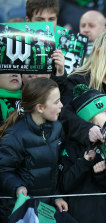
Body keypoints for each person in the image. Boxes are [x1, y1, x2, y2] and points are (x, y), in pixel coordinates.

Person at [0, 78, 67, 222]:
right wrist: (17, 187)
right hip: (20, 211)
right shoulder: (14, 136)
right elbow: (3, 170)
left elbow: (53, 170)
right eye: (56, 102)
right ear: (40, 108)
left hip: (45, 209)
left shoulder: (57, 128)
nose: (61, 105)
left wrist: (56, 196)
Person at [60, 27, 106, 150]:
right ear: (100, 54)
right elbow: (64, 116)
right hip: (88, 160)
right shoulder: (78, 81)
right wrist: (88, 130)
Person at [60, 84, 106, 223]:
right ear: (89, 119)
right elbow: (65, 184)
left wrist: (100, 175)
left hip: (104, 215)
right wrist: (84, 161)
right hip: (78, 215)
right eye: (103, 112)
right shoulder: (70, 146)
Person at [25, 0, 65, 77]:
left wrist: (60, 73)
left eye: (51, 19)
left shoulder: (64, 46)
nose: (47, 24)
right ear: (28, 21)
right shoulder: (18, 44)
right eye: (40, 19)